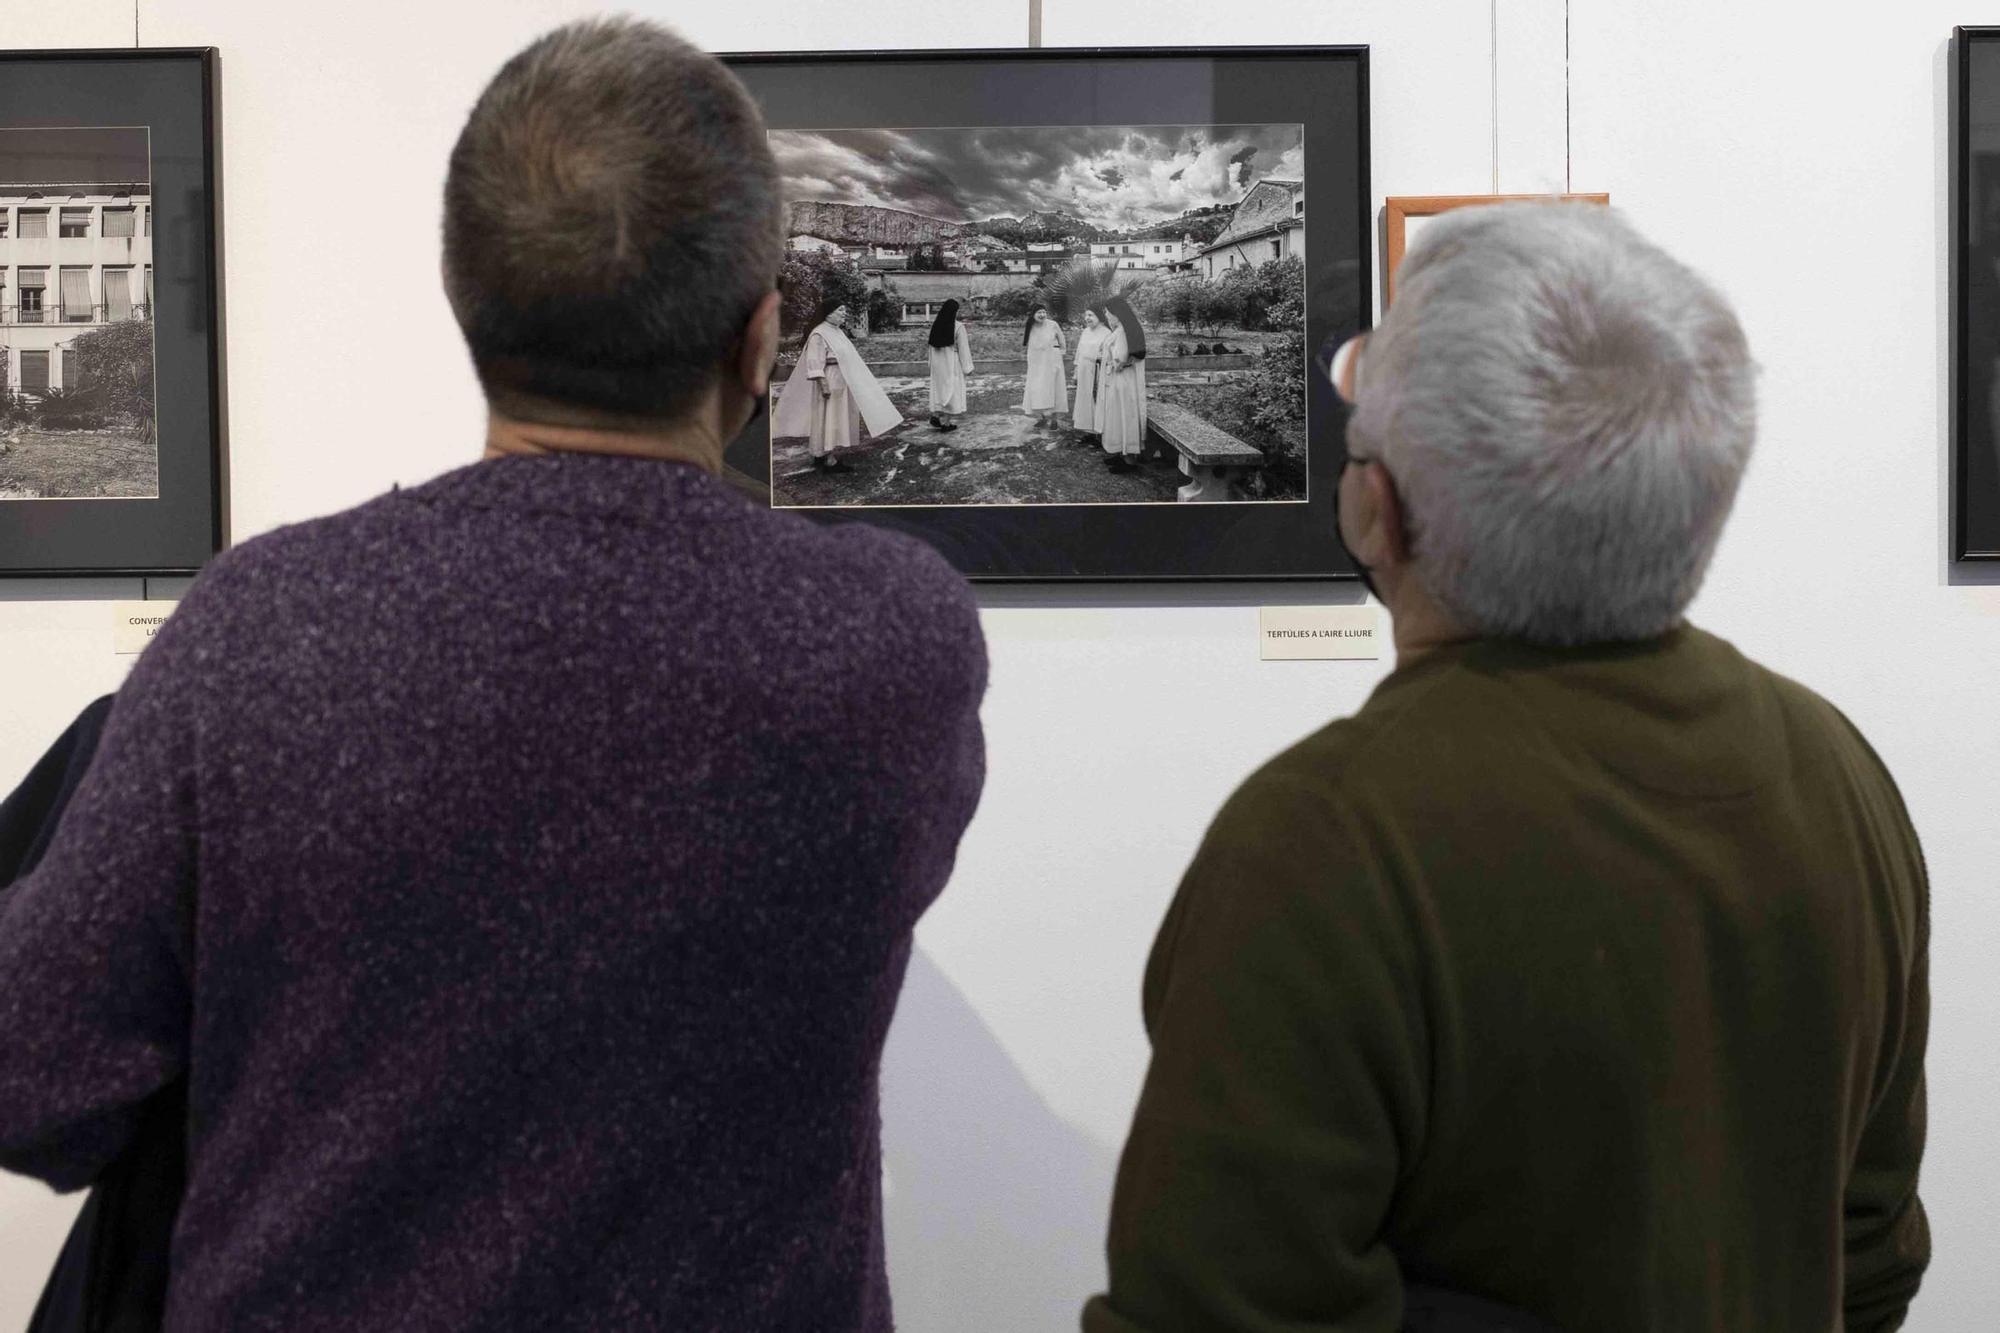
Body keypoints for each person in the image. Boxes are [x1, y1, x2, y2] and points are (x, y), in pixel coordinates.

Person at [0, 18, 987, 1332]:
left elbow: (40, 1074)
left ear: (469, 309)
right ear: (760, 345)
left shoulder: (260, 628)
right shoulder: (895, 642)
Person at [1085, 203, 1929, 1332]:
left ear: (1371, 511)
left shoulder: (1327, 835)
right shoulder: (1833, 768)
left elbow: (1208, 1307)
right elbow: (1865, 1249)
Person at [776, 297, 902, 471]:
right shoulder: (819, 334)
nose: (845, 313)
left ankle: (823, 454)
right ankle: (827, 459)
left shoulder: (836, 331)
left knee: (835, 418)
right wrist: (824, 385)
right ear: (829, 313)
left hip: (841, 380)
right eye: (841, 310)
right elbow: (814, 362)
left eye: (844, 310)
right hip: (829, 381)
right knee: (828, 418)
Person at [1098, 296, 1147, 472]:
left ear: (1116, 313)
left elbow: (1120, 359)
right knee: (1118, 416)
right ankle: (1121, 453)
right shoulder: (1119, 330)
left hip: (1123, 381)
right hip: (1119, 380)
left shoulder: (1124, 332)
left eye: (1107, 312)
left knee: (1125, 416)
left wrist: (1109, 362)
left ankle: (1129, 460)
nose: (1106, 315)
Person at [925, 298, 972, 431]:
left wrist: (931, 363)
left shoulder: (936, 325)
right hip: (951, 362)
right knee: (951, 390)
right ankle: (946, 423)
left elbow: (931, 347)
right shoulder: (958, 327)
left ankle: (936, 415)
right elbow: (964, 348)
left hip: (937, 364)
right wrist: (967, 367)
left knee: (938, 390)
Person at [1021, 303, 1067, 427]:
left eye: (1044, 312)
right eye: (1039, 312)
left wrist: (1058, 356)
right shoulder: (1030, 326)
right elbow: (1029, 347)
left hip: (1052, 363)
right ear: (1033, 314)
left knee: (1053, 389)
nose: (1042, 315)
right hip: (1037, 365)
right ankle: (1041, 417)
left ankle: (1054, 420)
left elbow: (1062, 342)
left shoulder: (1053, 325)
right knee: (1037, 390)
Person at [1070, 306, 1110, 444]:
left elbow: (1107, 354)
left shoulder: (1106, 333)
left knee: (1095, 399)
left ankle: (1099, 433)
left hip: (1097, 370)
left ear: (1099, 316)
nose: (1087, 318)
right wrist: (1076, 371)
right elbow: (1079, 351)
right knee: (1084, 399)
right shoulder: (1086, 331)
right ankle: (1088, 430)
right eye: (1086, 315)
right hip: (1083, 369)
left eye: (1091, 315)